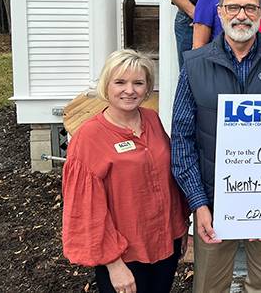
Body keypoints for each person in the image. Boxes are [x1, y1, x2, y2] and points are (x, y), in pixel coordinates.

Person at [171, 0, 261, 293]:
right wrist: (198, 203)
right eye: (233, 7)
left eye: (249, 7)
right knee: (209, 287)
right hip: (213, 201)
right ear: (219, 12)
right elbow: (181, 141)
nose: (241, 15)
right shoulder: (194, 65)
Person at [62, 49, 188, 293]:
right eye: (120, 82)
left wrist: (180, 226)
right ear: (106, 85)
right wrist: (113, 263)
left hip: (164, 244)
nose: (129, 90)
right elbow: (86, 209)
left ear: (147, 87)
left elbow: (167, 178)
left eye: (138, 83)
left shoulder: (151, 119)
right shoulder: (89, 138)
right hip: (125, 255)